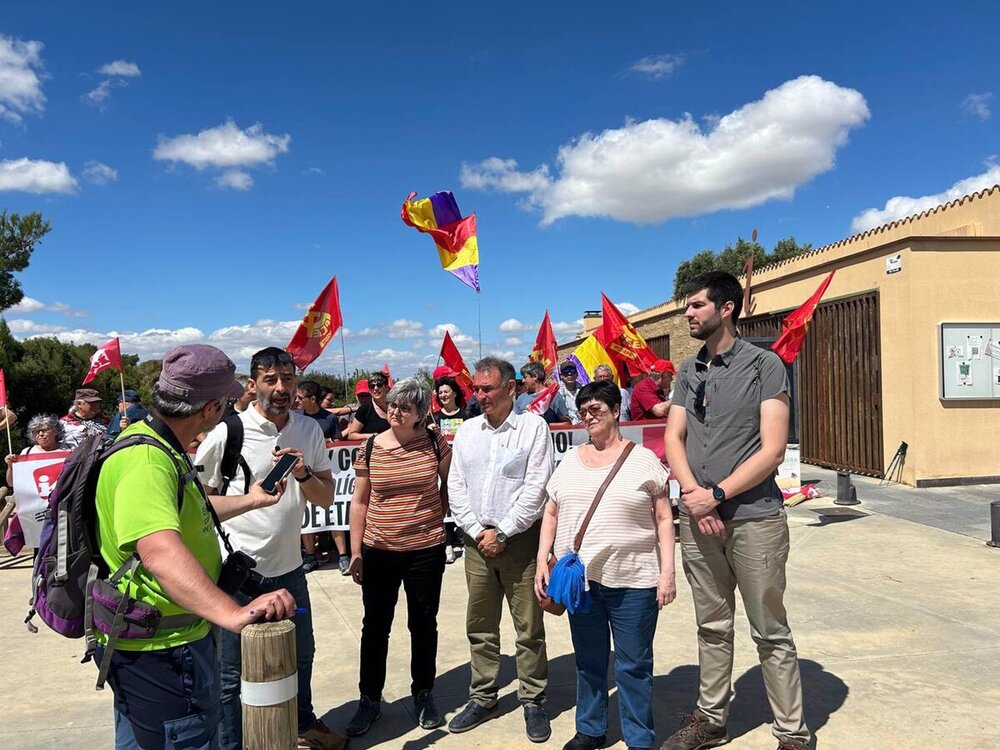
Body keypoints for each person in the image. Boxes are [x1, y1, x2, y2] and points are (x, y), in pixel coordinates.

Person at [94, 344, 297, 750]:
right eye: (225, 399)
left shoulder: (158, 442)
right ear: (209, 409)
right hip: (164, 653)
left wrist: (252, 500)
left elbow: (188, 512)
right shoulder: (148, 461)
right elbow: (160, 551)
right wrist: (234, 613)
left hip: (163, 644)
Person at [662, 271, 811, 750]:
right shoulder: (688, 370)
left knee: (769, 629)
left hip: (754, 518)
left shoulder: (764, 366)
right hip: (698, 516)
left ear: (727, 308)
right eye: (688, 306)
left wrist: (718, 495)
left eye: (697, 305)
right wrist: (694, 495)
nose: (688, 313)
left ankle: (791, 732)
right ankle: (711, 720)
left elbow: (772, 450)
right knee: (711, 625)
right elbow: (673, 437)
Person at [196, 346, 346, 750]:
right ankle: (232, 743)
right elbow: (201, 505)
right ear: (252, 384)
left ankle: (302, 724)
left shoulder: (309, 430)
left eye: (288, 379)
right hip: (236, 574)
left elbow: (326, 498)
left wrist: (301, 472)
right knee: (232, 671)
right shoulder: (229, 432)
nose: (281, 388)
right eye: (270, 380)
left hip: (291, 569)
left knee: (301, 655)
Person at [536, 380, 676, 750]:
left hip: (634, 582)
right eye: (583, 411)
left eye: (596, 408)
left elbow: (664, 519)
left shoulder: (643, 459)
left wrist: (667, 573)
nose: (589, 415)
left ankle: (639, 739)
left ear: (616, 411)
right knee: (589, 661)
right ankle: (591, 730)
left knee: (633, 666)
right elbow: (551, 510)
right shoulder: (569, 461)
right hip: (582, 583)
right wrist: (541, 561)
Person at [446, 357, 555, 743]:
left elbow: (536, 487)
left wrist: (503, 532)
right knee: (480, 625)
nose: (480, 396)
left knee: (528, 627)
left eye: (488, 388)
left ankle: (533, 699)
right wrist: (478, 532)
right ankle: (483, 696)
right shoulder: (467, 432)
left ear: (511, 388)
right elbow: (456, 486)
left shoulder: (533, 428)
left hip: (520, 543)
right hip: (477, 545)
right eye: (476, 389)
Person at [345, 378, 452, 737]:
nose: (394, 411)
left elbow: (450, 484)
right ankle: (369, 700)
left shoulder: (435, 443)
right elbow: (359, 502)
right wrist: (356, 551)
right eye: (393, 405)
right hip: (380, 552)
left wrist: (442, 518)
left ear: (421, 414)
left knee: (423, 623)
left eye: (404, 407)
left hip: (426, 550)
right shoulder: (372, 447)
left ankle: (423, 693)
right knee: (375, 627)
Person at [294, 380, 348, 575]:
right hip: (302, 475)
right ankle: (310, 556)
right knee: (306, 517)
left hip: (327, 474)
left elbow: (339, 440)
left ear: (313, 399)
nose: (297, 401)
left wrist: (330, 443)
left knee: (334, 514)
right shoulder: (294, 418)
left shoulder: (328, 419)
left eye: (300, 398)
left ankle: (343, 556)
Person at [431, 375, 468, 564]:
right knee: (443, 504)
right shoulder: (433, 419)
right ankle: (447, 543)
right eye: (440, 392)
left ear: (454, 393)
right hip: (442, 470)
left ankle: (464, 539)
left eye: (446, 391)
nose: (443, 395)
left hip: (464, 469)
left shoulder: (468, 416)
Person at [345, 373, 390, 439]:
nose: (376, 388)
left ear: (386, 387)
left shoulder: (395, 407)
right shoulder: (364, 410)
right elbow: (351, 435)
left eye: (379, 385)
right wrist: (371, 436)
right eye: (372, 386)